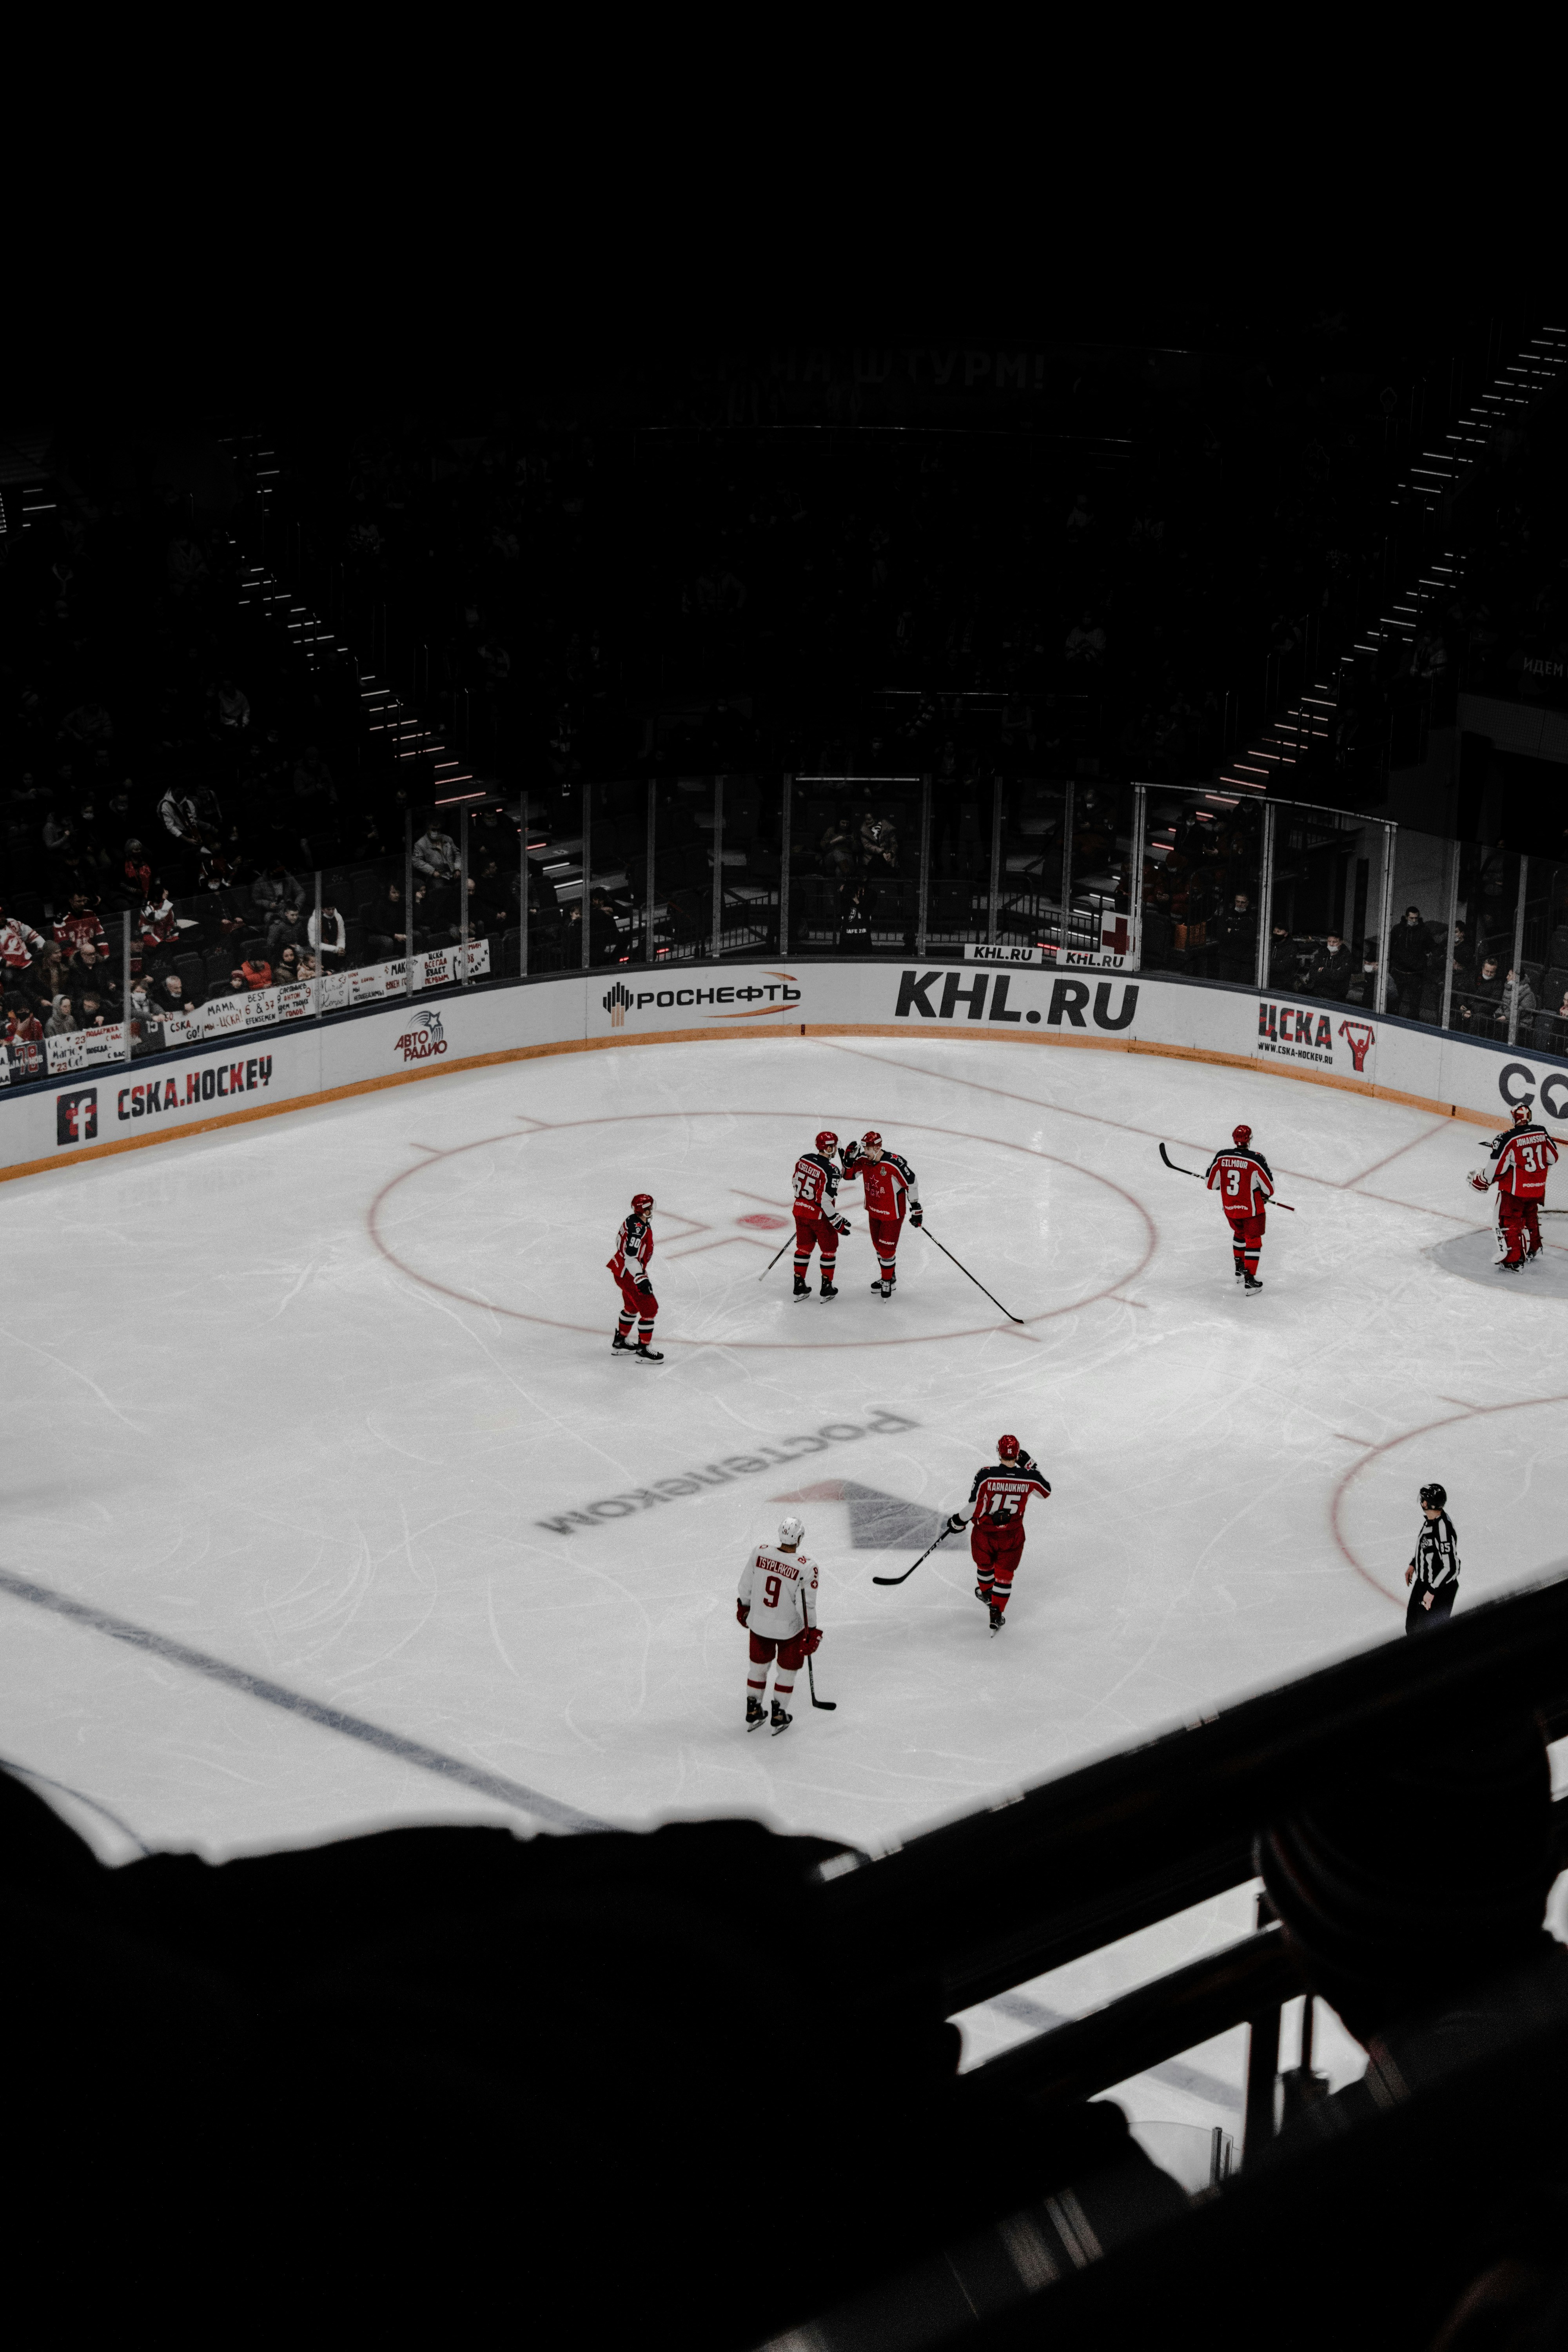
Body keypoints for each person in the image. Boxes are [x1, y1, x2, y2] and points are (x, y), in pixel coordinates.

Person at [944, 1436, 1052, 1634]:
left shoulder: (986, 1475)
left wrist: (958, 1522)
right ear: (1018, 1454)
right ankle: (997, 1612)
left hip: (985, 1534)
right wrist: (1030, 1465)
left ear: (998, 1452)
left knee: (984, 1567)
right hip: (1012, 1535)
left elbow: (974, 1507)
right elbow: (1045, 1492)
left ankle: (986, 1594)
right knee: (1005, 1576)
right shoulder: (1029, 1477)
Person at [735, 1513, 821, 1734]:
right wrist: (811, 1631)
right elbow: (807, 1606)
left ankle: (754, 1709)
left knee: (757, 1669)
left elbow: (746, 1585)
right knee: (787, 1672)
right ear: (800, 1538)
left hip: (759, 1623)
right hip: (788, 1630)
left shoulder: (760, 1553)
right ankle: (779, 1713)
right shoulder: (806, 1567)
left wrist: (744, 1606)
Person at [1470, 1098, 1558, 1270]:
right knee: (1530, 1215)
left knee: (1509, 1220)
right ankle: (1533, 1247)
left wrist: (1482, 1180)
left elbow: (1497, 1170)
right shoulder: (1541, 1132)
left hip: (1517, 1191)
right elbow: (1553, 1157)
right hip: (1538, 1187)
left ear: (1514, 1119)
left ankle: (1513, 1260)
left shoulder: (1508, 1137)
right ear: (1529, 1117)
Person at [840, 1131, 922, 1297]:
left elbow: (911, 1182)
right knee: (878, 1247)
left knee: (886, 1250)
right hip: (874, 1210)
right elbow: (849, 1176)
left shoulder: (893, 1163)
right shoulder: (864, 1160)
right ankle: (889, 1276)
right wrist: (847, 1163)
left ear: (878, 1148)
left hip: (893, 1214)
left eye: (868, 1149)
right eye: (864, 1148)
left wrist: (916, 1209)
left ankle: (887, 1283)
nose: (865, 1152)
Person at [1205, 1121, 1275, 1293]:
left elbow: (1210, 1184)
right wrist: (1262, 1194)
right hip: (1252, 1210)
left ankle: (1239, 1269)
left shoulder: (1222, 1157)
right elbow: (1269, 1189)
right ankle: (1250, 1280)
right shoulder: (1256, 1159)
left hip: (1230, 1209)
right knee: (1253, 1240)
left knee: (1239, 1234)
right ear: (1249, 1140)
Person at [790, 1130, 852, 1302]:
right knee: (829, 1251)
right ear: (830, 1147)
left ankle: (799, 1286)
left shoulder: (804, 1159)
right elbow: (825, 1202)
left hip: (799, 1210)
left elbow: (795, 1182)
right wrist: (836, 1221)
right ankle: (827, 1288)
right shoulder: (831, 1170)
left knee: (804, 1248)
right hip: (820, 1217)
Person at [607, 1191, 663, 1361]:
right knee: (650, 1309)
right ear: (644, 1210)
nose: (652, 1209)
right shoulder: (638, 1231)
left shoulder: (633, 1220)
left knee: (631, 1307)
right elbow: (631, 1257)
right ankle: (644, 1350)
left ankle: (621, 1342)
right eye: (649, 1208)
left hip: (621, 1270)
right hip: (629, 1274)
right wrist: (640, 1277)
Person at [1405, 1483, 1459, 1633]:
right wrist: (1414, 1564)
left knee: (1427, 1635)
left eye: (1423, 1499)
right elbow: (1426, 1547)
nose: (1421, 1502)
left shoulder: (1443, 1529)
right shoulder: (1432, 1520)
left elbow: (1451, 1567)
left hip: (1437, 1590)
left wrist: (1432, 1592)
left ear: (1427, 1503)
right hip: (1423, 1584)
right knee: (1412, 1627)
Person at [1388, 906, 1430, 1020]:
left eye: (1416, 918)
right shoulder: (1398, 930)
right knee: (1395, 1001)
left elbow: (1430, 947)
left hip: (1416, 974)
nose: (1414, 921)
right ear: (1407, 917)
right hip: (1399, 972)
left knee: (1415, 1005)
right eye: (1412, 918)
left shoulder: (1424, 930)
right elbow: (1390, 947)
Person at [1305, 933, 1351, 1001]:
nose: (1331, 944)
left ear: (1341, 942)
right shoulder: (1322, 953)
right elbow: (1313, 973)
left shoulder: (1347, 956)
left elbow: (1339, 976)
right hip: (1318, 995)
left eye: (1335, 942)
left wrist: (1323, 970)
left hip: (1336, 998)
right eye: (1329, 941)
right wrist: (1330, 975)